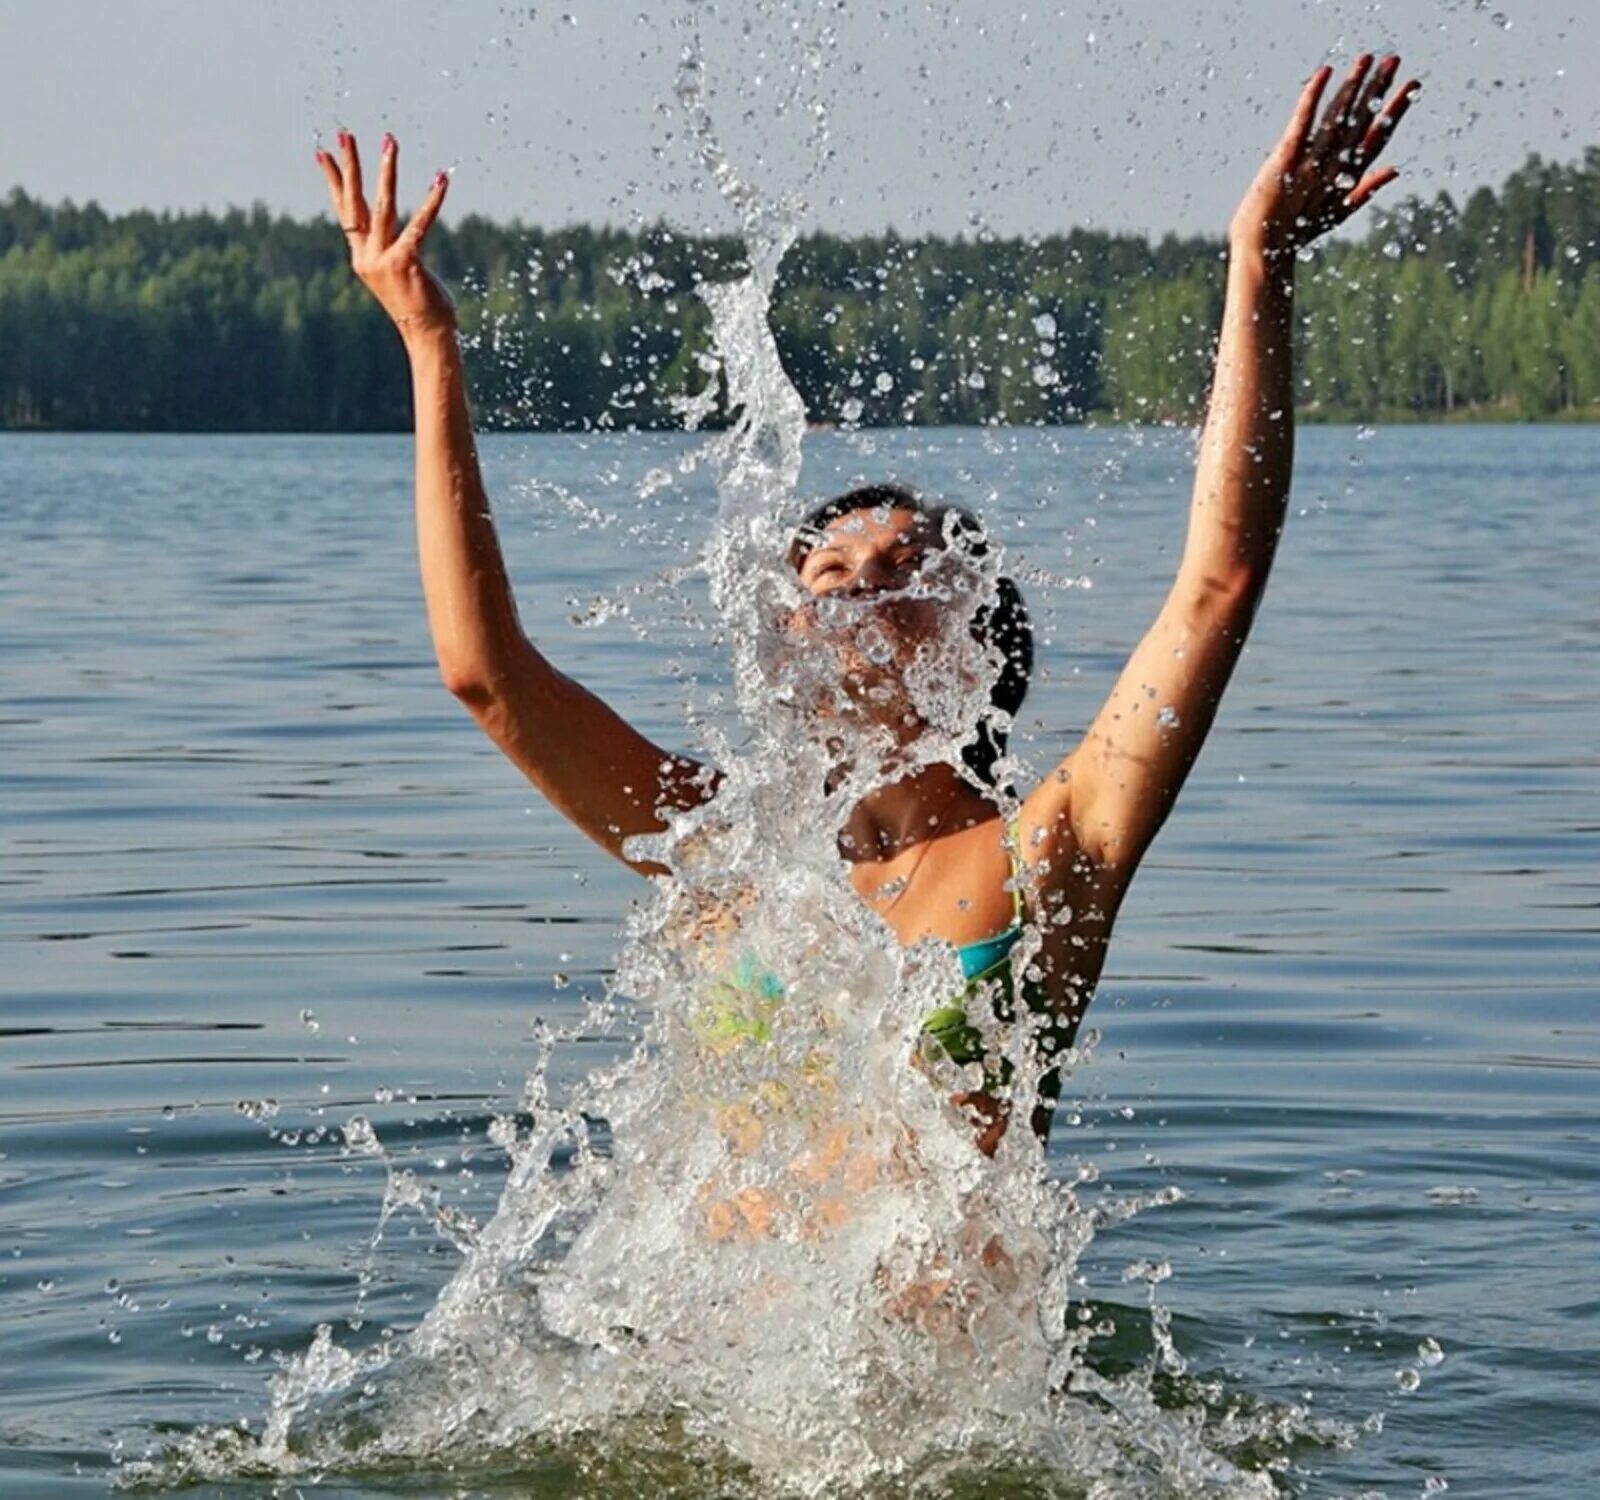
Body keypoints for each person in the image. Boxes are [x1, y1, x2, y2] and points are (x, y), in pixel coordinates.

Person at [315, 56, 1418, 1157]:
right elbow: (486, 675)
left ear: (979, 639)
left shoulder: (1052, 850)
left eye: (899, 573)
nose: (855, 594)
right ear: (780, 636)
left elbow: (1215, 581)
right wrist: (428, 344)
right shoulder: (722, 852)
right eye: (826, 576)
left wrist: (1257, 265)